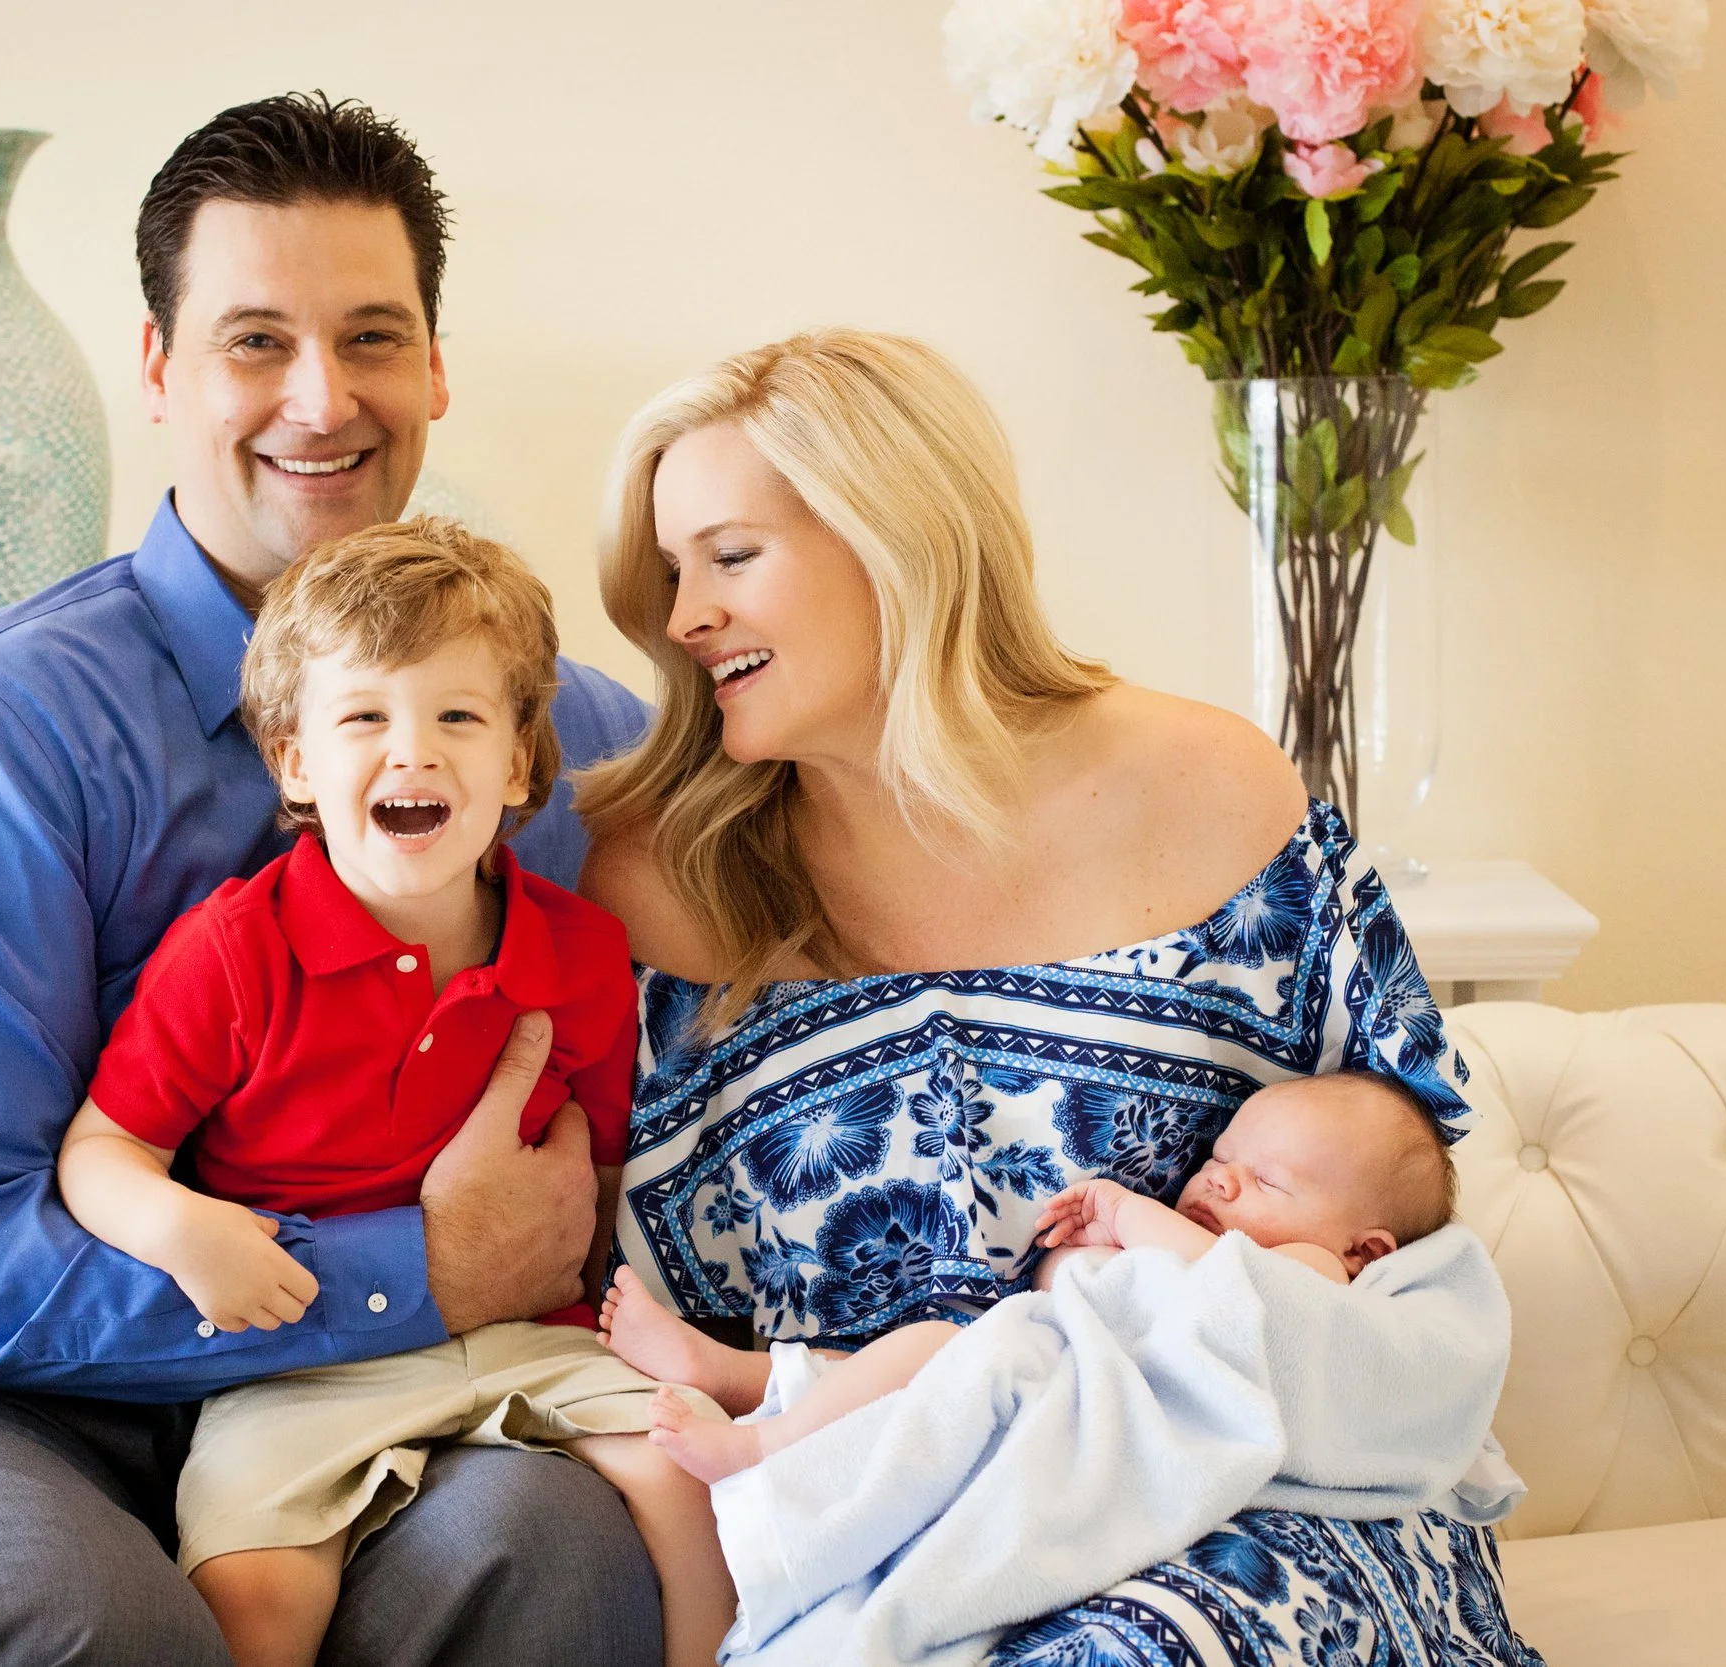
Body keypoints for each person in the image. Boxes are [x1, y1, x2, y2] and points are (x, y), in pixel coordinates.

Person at [0, 96, 659, 1667]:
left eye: (371, 336)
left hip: (338, 1407)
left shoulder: (572, 743)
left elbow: (809, 901)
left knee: (553, 1543)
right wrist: (418, 1272)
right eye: (254, 341)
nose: (321, 398)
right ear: (158, 369)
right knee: (78, 1626)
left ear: (435, 367)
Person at [574, 329, 1543, 1663]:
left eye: (730, 556)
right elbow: (598, 1287)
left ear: (895, 535)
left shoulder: (1214, 793)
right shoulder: (649, 877)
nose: (685, 618)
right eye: (672, 574)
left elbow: (1395, 1215)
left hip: (1254, 1492)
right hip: (886, 1522)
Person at [55, 519, 734, 1667]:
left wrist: (639, 1319)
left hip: (529, 1333)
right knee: (254, 1589)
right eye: (364, 717)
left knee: (691, 1474)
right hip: (303, 1360)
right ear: (295, 764)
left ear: (517, 763)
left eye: (457, 716)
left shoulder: (578, 951)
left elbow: (606, 1176)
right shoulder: (232, 953)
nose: (412, 752)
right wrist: (182, 1228)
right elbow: (102, 1148)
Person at [601, 1071, 1458, 1484]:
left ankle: (756, 1442)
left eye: (1265, 1180)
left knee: (924, 1367)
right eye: (1222, 1157)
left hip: (1095, 1428)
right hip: (1054, 1380)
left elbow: (1233, 1288)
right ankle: (740, 1382)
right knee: (917, 1357)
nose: (1220, 1180)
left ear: (1365, 1249)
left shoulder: (1318, 1277)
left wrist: (1123, 1211)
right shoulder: (1210, 1247)